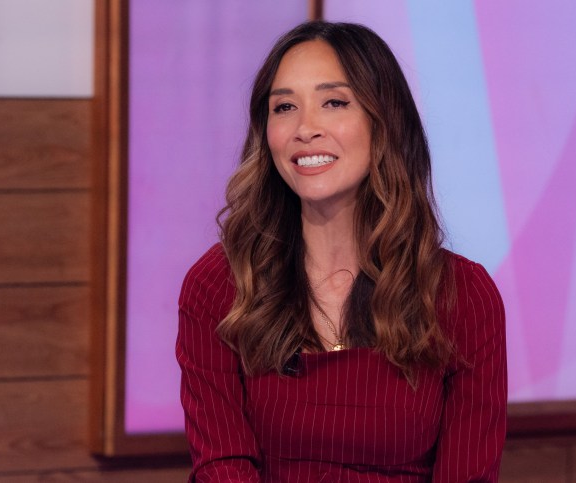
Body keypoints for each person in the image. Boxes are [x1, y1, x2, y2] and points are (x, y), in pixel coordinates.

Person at [177, 21, 507, 482]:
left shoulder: (462, 296)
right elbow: (221, 465)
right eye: (284, 107)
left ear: (383, 122)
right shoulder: (221, 285)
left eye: (334, 102)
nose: (305, 129)